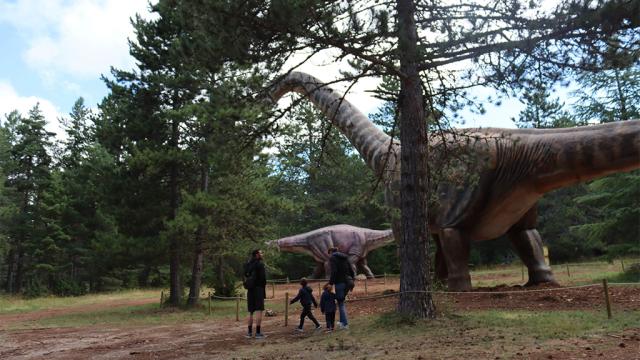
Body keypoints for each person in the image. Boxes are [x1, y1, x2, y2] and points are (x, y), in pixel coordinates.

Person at [328, 247, 355, 329]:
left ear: (331, 252)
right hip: (349, 282)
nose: (329, 255)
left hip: (340, 283)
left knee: (340, 303)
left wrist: (330, 283)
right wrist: (352, 279)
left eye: (329, 253)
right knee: (341, 302)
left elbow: (334, 271)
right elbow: (351, 270)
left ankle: (345, 324)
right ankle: (341, 321)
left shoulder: (333, 258)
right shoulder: (345, 257)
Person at [244, 249, 267, 339]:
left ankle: (249, 332)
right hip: (258, 289)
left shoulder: (248, 264)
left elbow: (245, 275)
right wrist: (262, 286)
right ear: (257, 255)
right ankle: (257, 333)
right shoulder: (260, 264)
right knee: (259, 310)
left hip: (250, 289)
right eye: (261, 253)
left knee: (250, 311)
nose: (262, 254)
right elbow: (263, 278)